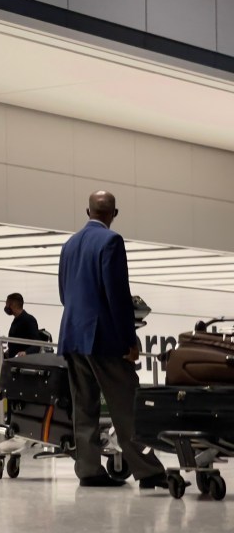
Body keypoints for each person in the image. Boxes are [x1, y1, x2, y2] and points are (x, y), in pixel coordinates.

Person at [58, 191, 166, 488]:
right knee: (128, 404)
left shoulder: (68, 245)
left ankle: (89, 470)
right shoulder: (111, 241)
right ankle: (149, 471)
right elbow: (117, 296)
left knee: (83, 407)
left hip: (72, 336)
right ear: (114, 214)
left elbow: (63, 294)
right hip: (103, 338)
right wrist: (129, 341)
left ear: (87, 211)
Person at [4, 293, 41, 358]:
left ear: (13, 305)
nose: (6, 306)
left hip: (22, 361)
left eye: (7, 304)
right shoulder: (16, 319)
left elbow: (37, 344)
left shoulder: (29, 320)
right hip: (14, 359)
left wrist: (26, 352)